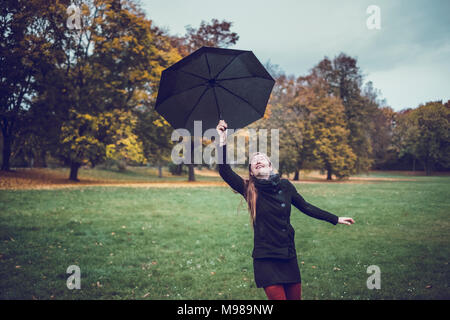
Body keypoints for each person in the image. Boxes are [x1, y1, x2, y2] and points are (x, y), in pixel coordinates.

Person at [215, 120, 355, 300]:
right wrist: (223, 139)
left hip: (288, 252)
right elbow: (225, 171)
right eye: (254, 162)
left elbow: (306, 207)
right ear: (251, 171)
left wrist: (334, 218)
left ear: (270, 166)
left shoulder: (285, 186)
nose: (257, 160)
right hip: (265, 257)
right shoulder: (249, 189)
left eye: (261, 159)